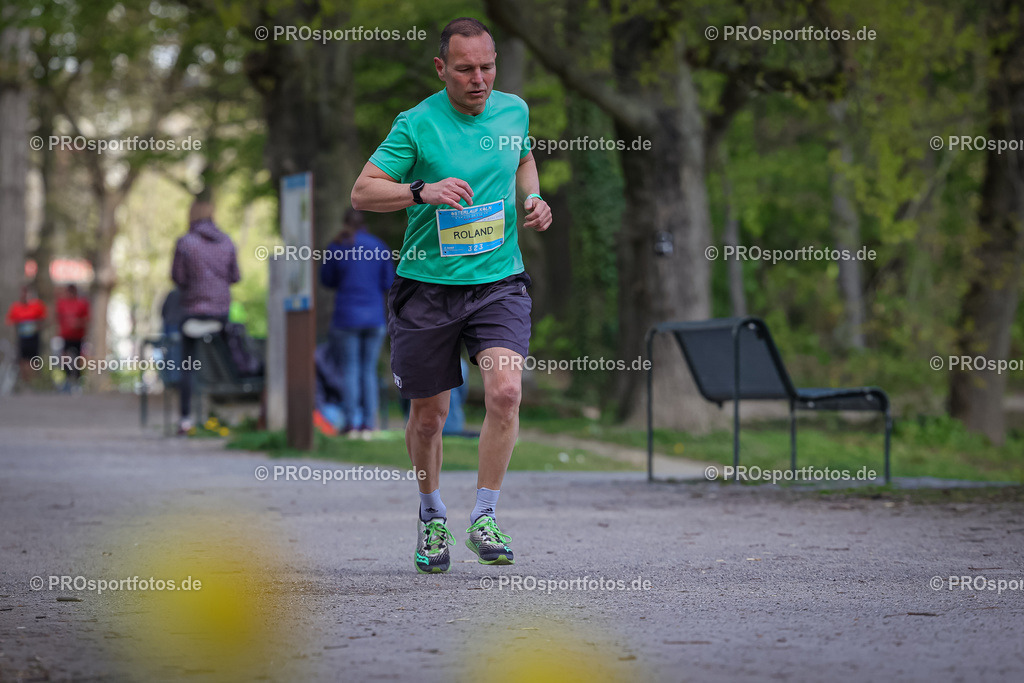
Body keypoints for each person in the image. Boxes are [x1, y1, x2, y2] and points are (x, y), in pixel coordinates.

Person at [350, 17, 552, 574]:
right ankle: (431, 512)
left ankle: (484, 514)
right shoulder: (416, 124)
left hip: (498, 282)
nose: (479, 79)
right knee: (429, 415)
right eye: (465, 70)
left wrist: (533, 198)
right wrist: (422, 191)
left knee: (506, 392)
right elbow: (363, 192)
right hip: (428, 288)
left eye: (487, 67)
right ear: (442, 69)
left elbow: (524, 158)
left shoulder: (514, 110)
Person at [320, 209, 395, 438]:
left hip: (346, 317)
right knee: (368, 370)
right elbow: (388, 281)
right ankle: (369, 425)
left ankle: (351, 423)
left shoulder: (339, 246)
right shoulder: (379, 246)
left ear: (345, 223)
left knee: (350, 369)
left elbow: (326, 279)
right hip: (374, 318)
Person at [171, 199, 240, 434]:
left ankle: (185, 419)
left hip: (193, 314)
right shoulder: (227, 241)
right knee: (226, 354)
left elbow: (178, 277)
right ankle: (229, 413)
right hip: (220, 315)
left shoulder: (185, 243)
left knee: (187, 364)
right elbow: (235, 276)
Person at [5, 286, 48, 391]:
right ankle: (25, 383)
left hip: (34, 338)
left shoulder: (37, 306)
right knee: (23, 361)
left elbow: (44, 319)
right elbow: (9, 322)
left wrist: (37, 326)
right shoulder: (16, 307)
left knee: (34, 361)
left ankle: (34, 383)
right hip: (22, 339)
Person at [55, 284, 90, 389]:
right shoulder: (62, 303)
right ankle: (67, 379)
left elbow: (86, 320)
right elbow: (58, 317)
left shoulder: (81, 304)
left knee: (78, 359)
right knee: (65, 358)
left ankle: (78, 380)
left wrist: (77, 323)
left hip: (78, 336)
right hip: (66, 336)